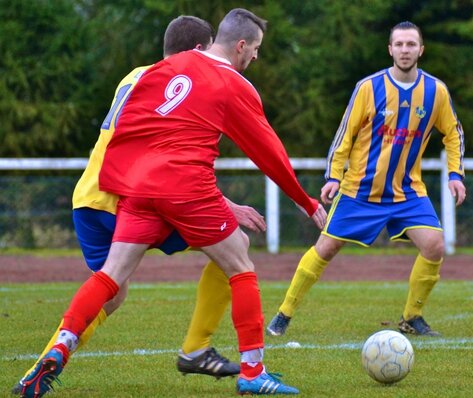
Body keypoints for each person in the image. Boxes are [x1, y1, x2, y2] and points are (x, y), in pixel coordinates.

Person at [18, 8, 327, 397]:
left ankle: (59, 347)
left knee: (111, 277)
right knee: (241, 265)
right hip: (183, 188)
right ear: (242, 45)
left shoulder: (161, 67)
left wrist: (125, 176)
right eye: (257, 49)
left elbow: (129, 123)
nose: (256, 58)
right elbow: (267, 150)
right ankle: (251, 371)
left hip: (134, 188)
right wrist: (304, 200)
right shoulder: (232, 83)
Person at [267, 21, 466, 339]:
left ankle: (411, 317)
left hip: (407, 191)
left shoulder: (435, 92)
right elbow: (344, 135)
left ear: (421, 49)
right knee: (326, 248)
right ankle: (284, 313)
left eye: (411, 44)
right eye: (399, 44)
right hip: (359, 190)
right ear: (390, 49)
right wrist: (333, 175)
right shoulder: (368, 88)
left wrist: (455, 174)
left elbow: (453, 133)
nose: (405, 50)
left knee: (434, 245)